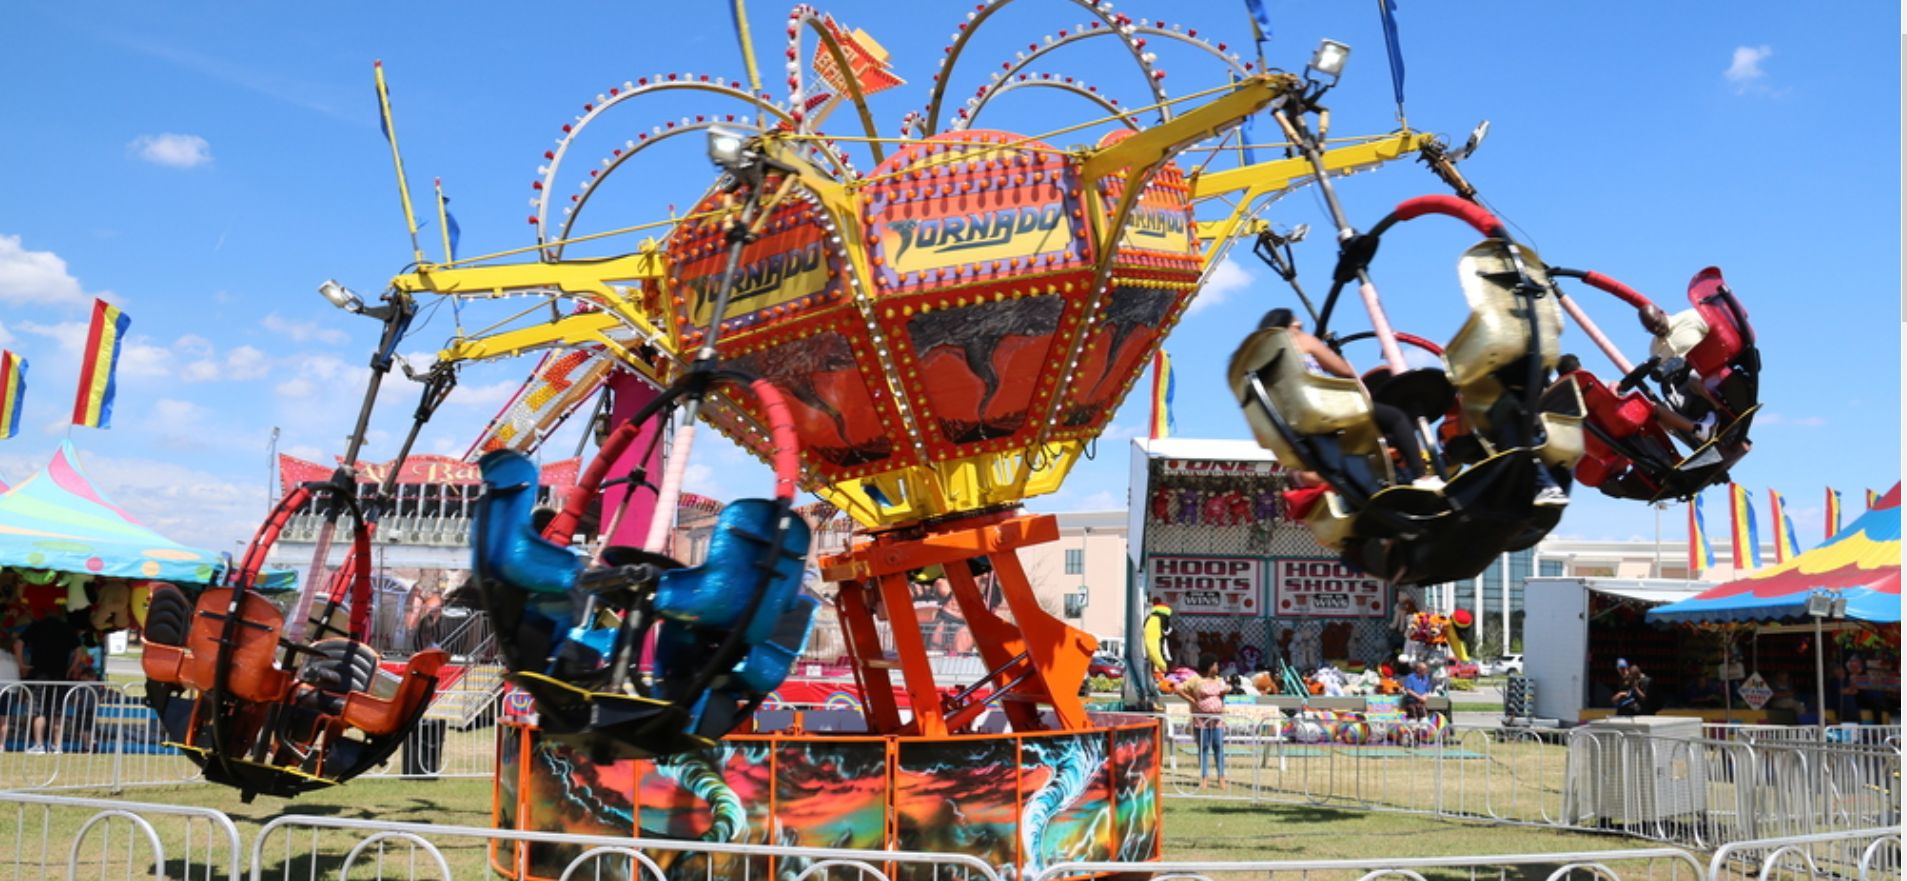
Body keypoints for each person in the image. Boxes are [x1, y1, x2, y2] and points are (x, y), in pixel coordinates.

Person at [1260, 308, 1431, 486]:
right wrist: (1326, 357)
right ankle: (1421, 476)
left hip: (1297, 427)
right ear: (1293, 325)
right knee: (1396, 418)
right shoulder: (1301, 340)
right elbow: (1344, 371)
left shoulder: (1265, 366)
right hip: (1327, 409)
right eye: (1299, 324)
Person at [23, 613, 81, 754]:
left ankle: (39, 745)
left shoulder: (36, 626)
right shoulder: (67, 628)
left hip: (39, 674)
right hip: (59, 675)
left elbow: (18, 643)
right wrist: (71, 668)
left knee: (39, 711)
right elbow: (78, 650)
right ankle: (57, 746)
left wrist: (21, 664)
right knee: (58, 712)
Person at [1180, 654, 1229, 789]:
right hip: (1201, 720)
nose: (1217, 667)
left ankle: (1221, 777)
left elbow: (1224, 691)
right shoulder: (1195, 680)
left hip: (1217, 720)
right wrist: (1192, 701)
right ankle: (1204, 777)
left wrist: (1225, 692)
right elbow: (1178, 689)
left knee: (1218, 747)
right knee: (1204, 748)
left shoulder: (1219, 680)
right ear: (1209, 666)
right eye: (1215, 665)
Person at [1143, 599, 1175, 678]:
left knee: (1153, 656)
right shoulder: (1164, 617)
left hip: (1149, 641)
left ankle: (1157, 672)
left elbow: (1143, 626)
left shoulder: (1150, 617)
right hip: (1158, 639)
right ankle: (1162, 671)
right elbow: (1166, 630)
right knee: (1161, 654)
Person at [0, 631, 21, 752]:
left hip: (3, 687)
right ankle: (2, 745)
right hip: (11, 690)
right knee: (4, 718)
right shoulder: (13, 658)